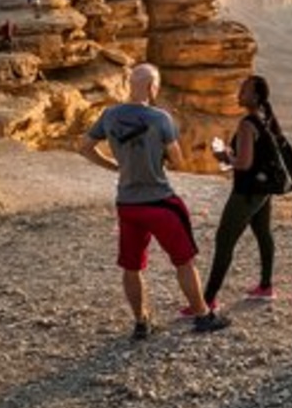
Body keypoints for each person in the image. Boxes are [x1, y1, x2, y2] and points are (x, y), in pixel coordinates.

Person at [80, 63, 228, 338]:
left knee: (132, 266)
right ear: (151, 87)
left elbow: (84, 147)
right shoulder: (160, 118)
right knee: (184, 262)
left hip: (127, 204)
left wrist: (116, 166)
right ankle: (202, 316)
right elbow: (177, 160)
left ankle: (141, 322)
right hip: (160, 202)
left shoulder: (109, 115)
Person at [196, 75, 281, 313]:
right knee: (263, 233)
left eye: (243, 90)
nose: (238, 93)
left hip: (247, 192)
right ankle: (266, 286)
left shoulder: (246, 124)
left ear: (254, 96)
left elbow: (243, 163)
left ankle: (206, 301)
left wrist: (223, 155)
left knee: (224, 240)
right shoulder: (266, 117)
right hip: (263, 190)